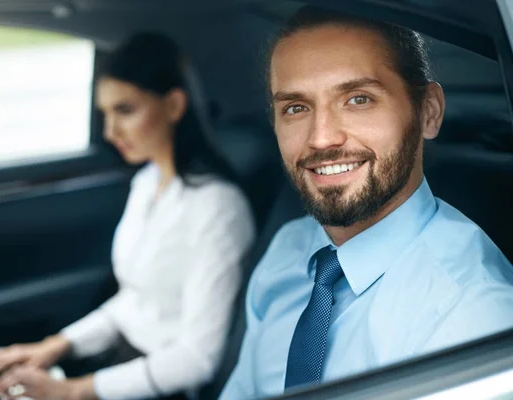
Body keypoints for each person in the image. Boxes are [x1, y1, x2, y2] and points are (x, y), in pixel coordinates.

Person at [220, 6, 513, 399]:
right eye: (295, 108)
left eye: (358, 99)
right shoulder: (287, 250)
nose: (322, 138)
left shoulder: (472, 319)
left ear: (429, 111)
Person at [0, 32, 255, 400]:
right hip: (115, 366)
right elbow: (134, 302)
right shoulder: (147, 182)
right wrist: (54, 346)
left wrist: (72, 391)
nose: (110, 131)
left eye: (125, 110)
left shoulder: (218, 208)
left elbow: (198, 357)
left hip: (161, 386)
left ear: (173, 105)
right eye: (105, 114)